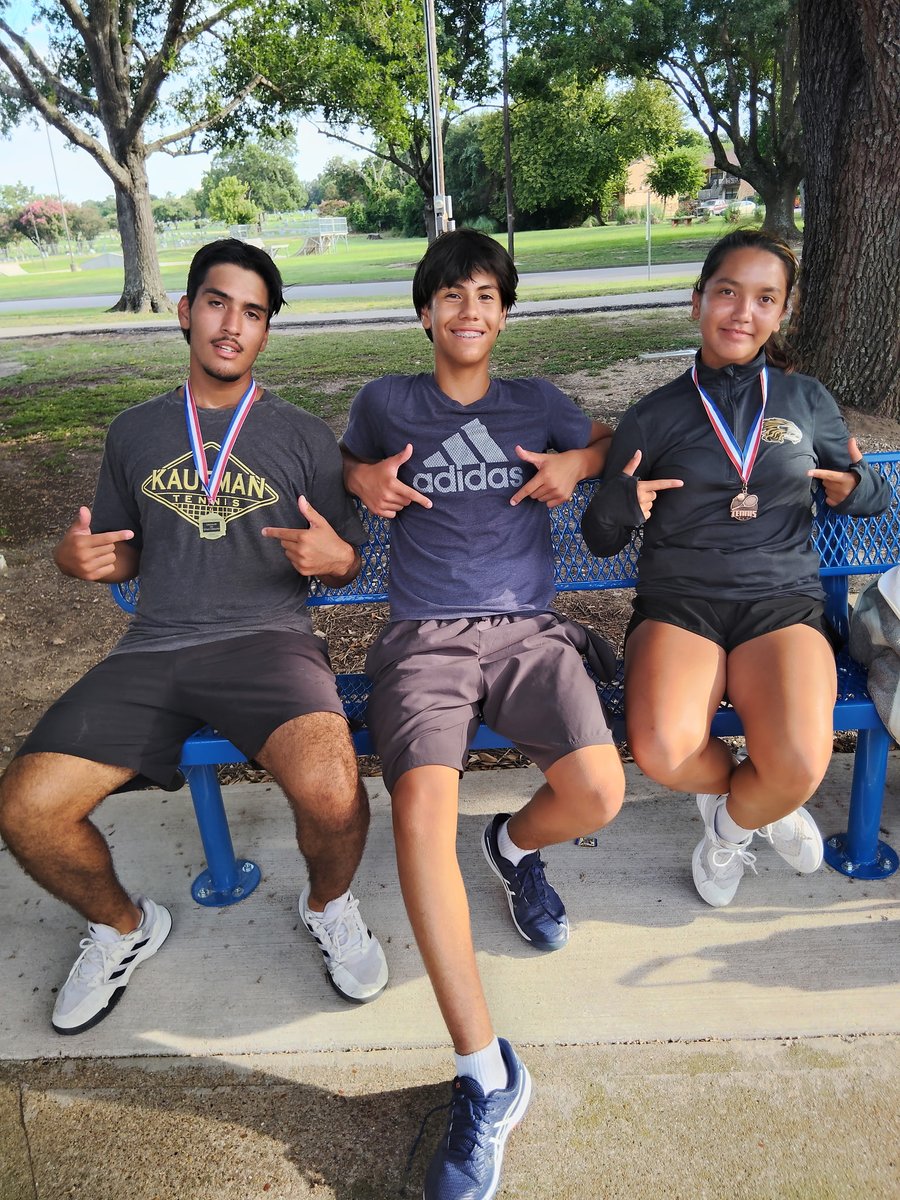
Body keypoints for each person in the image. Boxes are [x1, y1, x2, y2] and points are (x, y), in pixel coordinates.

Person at [0, 239, 388, 1035]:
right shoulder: (135, 431)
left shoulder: (304, 437)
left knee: (334, 791)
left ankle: (328, 905)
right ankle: (122, 927)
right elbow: (121, 549)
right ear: (185, 311)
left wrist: (340, 559)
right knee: (26, 809)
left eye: (253, 313)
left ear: (266, 333)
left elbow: (341, 561)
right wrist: (79, 559)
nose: (232, 325)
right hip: (153, 649)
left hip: (270, 641)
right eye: (217, 302)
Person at [340, 228, 624, 1200]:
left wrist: (578, 467)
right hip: (423, 640)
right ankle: (486, 1073)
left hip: (529, 634)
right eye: (452, 296)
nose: (469, 311)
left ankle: (511, 847)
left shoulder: (535, 401)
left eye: (487, 297)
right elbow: (341, 468)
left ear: (506, 313)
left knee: (598, 792)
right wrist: (359, 481)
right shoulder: (387, 403)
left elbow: (607, 444)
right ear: (425, 313)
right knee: (419, 822)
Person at [581, 228, 891, 908]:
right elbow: (600, 537)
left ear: (781, 313)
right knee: (663, 750)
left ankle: (728, 829)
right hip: (679, 606)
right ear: (697, 302)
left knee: (802, 764)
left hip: (780, 606)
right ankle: (754, 801)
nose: (741, 312)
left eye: (764, 298)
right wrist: (620, 504)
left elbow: (868, 490)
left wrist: (853, 487)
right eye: (727, 292)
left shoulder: (806, 399)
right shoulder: (654, 412)